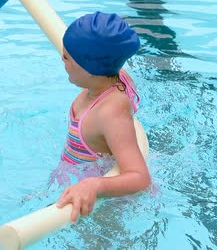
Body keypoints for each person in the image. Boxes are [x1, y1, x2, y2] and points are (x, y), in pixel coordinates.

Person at [54, 11, 151, 222]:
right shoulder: (115, 75)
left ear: (89, 67)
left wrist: (95, 185)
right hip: (78, 182)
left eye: (66, 56)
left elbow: (141, 178)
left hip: (101, 204)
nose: (61, 59)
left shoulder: (110, 111)